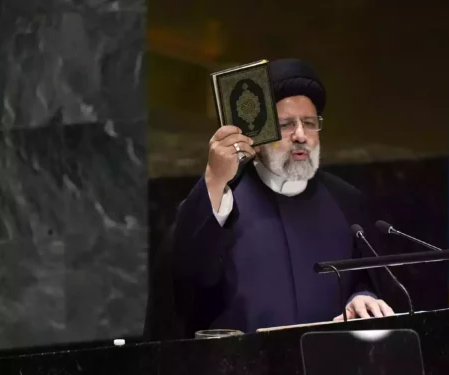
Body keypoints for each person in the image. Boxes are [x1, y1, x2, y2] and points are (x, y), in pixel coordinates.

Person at [146, 58, 395, 338]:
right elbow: (187, 276)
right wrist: (214, 180)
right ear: (260, 133)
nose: (300, 135)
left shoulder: (346, 202)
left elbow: (366, 280)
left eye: (310, 123)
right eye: (286, 124)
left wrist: (362, 297)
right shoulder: (225, 199)